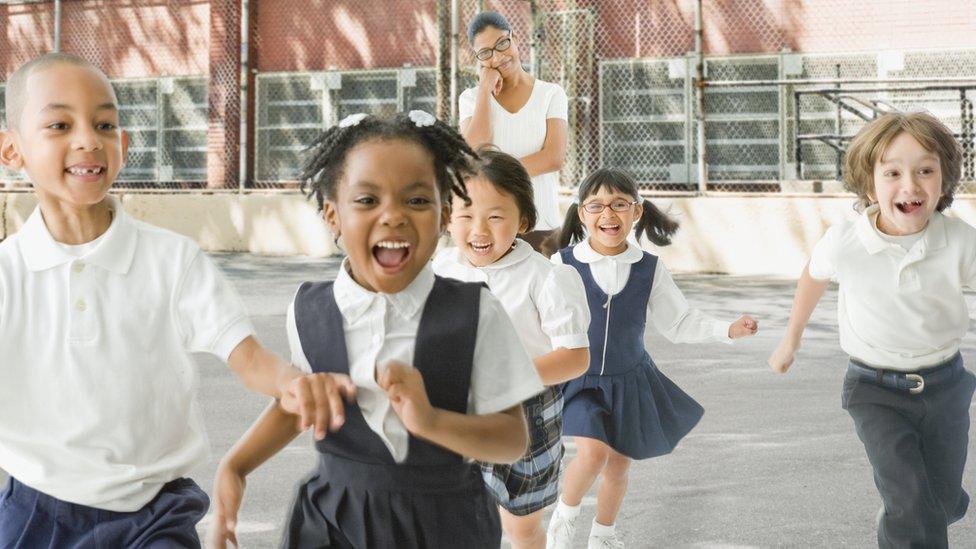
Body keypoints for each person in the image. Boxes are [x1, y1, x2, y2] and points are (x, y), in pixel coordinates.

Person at [0, 53, 339, 548]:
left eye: (104, 123)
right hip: (37, 512)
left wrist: (292, 382)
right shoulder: (8, 274)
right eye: (58, 124)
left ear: (124, 143)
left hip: (155, 512)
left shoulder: (170, 259)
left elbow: (247, 358)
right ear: (12, 151)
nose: (87, 139)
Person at [208, 112, 545, 549]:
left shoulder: (476, 312)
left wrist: (431, 420)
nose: (393, 216)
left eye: (418, 201)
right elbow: (300, 401)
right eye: (367, 200)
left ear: (445, 214)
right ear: (332, 215)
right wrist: (234, 467)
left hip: (445, 523)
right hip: (332, 520)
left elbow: (512, 440)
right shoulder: (311, 309)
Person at [768, 111, 976, 548]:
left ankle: (936, 501)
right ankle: (914, 512)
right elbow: (814, 275)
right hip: (874, 389)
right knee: (908, 500)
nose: (911, 185)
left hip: (947, 385)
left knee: (936, 499)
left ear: (944, 181)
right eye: (893, 172)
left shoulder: (959, 239)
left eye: (925, 170)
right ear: (869, 185)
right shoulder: (848, 240)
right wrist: (792, 338)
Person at [547, 168, 758, 549]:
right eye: (596, 206)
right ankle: (564, 516)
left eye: (619, 205)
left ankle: (603, 535)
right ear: (581, 214)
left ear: (637, 212)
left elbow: (678, 322)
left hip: (630, 378)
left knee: (619, 462)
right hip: (580, 377)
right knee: (592, 454)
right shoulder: (562, 264)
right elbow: (542, 318)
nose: (608, 215)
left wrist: (727, 329)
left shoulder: (649, 267)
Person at [432, 146, 590, 549]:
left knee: (519, 527)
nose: (478, 230)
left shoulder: (547, 278)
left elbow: (575, 356)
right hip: (455, 407)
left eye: (495, 216)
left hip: (526, 413)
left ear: (524, 221)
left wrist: (509, 376)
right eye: (465, 215)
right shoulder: (440, 269)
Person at [459, 10, 568, 256]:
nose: (497, 57)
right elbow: (476, 152)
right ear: (478, 59)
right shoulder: (470, 99)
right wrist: (484, 90)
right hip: (491, 228)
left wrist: (496, 175)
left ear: (514, 38)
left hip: (541, 225)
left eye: (502, 43)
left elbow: (553, 157)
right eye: (485, 53)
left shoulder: (551, 94)